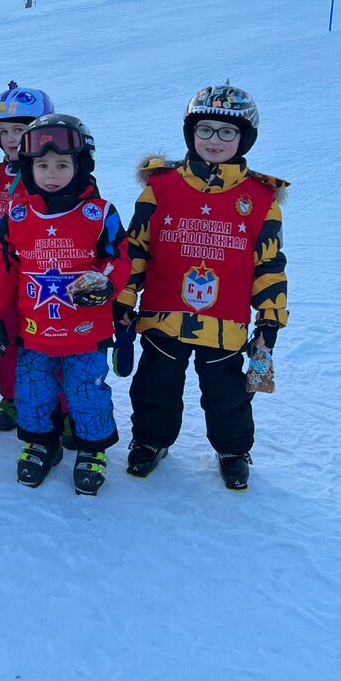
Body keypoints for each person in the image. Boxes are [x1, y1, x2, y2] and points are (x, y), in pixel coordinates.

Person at [116, 83, 288, 491]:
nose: (214, 140)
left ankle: (233, 449)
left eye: (227, 132)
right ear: (190, 133)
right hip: (163, 315)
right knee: (156, 385)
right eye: (205, 129)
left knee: (227, 393)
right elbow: (136, 247)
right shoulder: (160, 186)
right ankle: (151, 440)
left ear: (244, 138)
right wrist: (123, 298)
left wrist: (269, 319)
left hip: (225, 320)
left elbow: (269, 263)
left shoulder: (260, 197)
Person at [0, 114, 130, 495]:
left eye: (62, 165)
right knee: (33, 390)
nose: (52, 174)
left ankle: (92, 448)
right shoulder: (17, 216)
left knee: (86, 392)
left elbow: (120, 259)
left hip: (85, 330)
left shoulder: (99, 213)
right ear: (29, 168)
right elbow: (4, 269)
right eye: (42, 165)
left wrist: (106, 283)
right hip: (35, 331)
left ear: (81, 166)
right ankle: (40, 444)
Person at [0, 83, 55, 430]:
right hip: (0, 277)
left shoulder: (50, 175)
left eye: (20, 131)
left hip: (41, 278)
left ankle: (61, 403)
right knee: (3, 338)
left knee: (48, 342)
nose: (11, 139)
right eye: (4, 132)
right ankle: (11, 397)